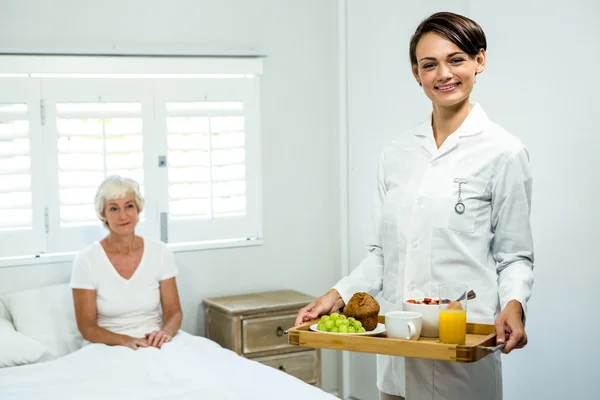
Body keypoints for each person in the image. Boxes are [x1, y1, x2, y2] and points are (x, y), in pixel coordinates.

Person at [295, 11, 533, 400]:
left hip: (461, 356)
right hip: (397, 355)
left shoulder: (503, 152)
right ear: (416, 73)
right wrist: (335, 296)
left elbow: (515, 255)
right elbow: (380, 254)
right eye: (429, 64)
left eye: (456, 59)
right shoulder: (397, 153)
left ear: (480, 61)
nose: (444, 73)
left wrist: (514, 304)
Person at [71, 175, 183, 350]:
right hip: (108, 346)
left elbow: (173, 312)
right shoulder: (86, 260)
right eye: (114, 209)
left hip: (155, 341)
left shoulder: (161, 252)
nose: (123, 215)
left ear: (138, 209)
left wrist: (165, 333)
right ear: (103, 214)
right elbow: (87, 328)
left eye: (129, 206)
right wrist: (126, 341)